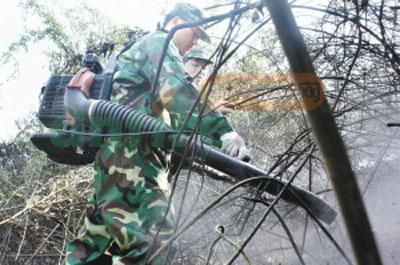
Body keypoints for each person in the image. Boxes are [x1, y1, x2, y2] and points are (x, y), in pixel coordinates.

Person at [66, 3, 249, 265]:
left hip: (117, 159)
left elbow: (174, 121)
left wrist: (214, 142)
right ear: (176, 23)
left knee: (92, 248)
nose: (196, 41)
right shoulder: (159, 43)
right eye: (194, 33)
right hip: (135, 161)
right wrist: (224, 131)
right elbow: (176, 90)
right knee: (156, 244)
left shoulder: (146, 52)